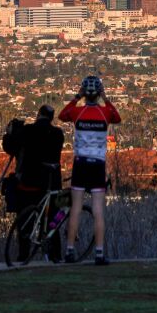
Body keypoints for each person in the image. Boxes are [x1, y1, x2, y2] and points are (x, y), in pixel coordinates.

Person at [59, 75, 121, 266]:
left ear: (85, 92)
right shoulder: (105, 114)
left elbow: (62, 115)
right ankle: (99, 253)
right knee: (98, 211)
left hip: (80, 164)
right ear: (99, 93)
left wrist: (77, 97)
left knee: (75, 208)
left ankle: (69, 251)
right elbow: (117, 117)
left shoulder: (78, 113)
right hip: (97, 164)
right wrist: (106, 98)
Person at [9, 104, 65, 262]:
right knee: (53, 223)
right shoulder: (58, 134)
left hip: (29, 185)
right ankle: (56, 256)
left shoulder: (27, 131)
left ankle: (23, 255)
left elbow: (11, 147)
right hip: (52, 185)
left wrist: (10, 133)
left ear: (38, 114)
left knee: (25, 223)